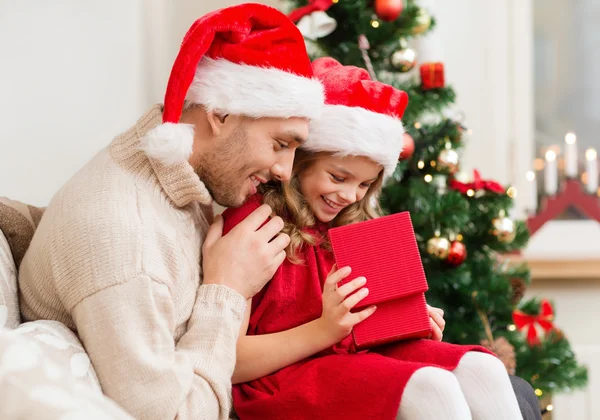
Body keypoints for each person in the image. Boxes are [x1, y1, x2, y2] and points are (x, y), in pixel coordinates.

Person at [17, 4, 324, 419]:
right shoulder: (127, 242)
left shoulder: (177, 176)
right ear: (220, 114)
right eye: (280, 143)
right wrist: (227, 292)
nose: (285, 173)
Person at [222, 58, 523, 420]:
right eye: (338, 177)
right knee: (432, 389)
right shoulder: (254, 223)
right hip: (280, 377)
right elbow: (231, 361)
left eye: (365, 185)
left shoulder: (356, 225)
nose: (350, 196)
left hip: (349, 357)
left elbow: (365, 332)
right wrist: (325, 329)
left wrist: (408, 321)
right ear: (299, 162)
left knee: (483, 369)